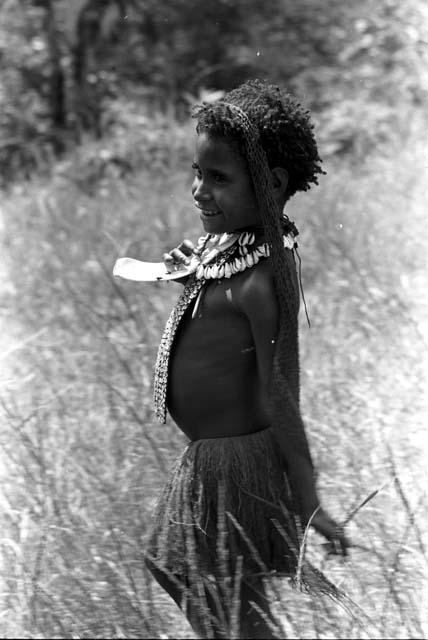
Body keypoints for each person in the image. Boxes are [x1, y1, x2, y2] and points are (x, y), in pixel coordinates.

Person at [144, 79, 350, 639]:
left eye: (218, 178)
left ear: (272, 184)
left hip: (238, 468)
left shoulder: (267, 278)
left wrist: (308, 503)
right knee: (190, 577)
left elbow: (283, 394)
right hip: (210, 461)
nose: (198, 191)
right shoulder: (229, 253)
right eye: (197, 172)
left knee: (225, 595)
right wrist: (190, 277)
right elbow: (216, 313)